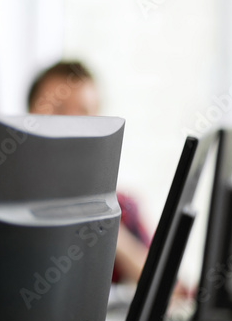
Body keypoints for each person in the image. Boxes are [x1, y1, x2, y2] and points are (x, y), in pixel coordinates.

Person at [27, 59, 151, 283]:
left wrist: (109, 227)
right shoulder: (9, 200)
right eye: (58, 109)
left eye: (84, 112)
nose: (72, 124)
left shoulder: (124, 207)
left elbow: (165, 288)